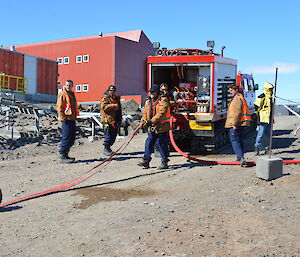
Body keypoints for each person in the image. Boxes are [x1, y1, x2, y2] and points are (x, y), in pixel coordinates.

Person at [138, 84, 171, 169]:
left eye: (153, 92)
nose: (151, 93)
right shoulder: (148, 101)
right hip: (152, 126)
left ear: (157, 92)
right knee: (149, 143)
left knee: (161, 143)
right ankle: (146, 160)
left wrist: (151, 121)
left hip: (162, 126)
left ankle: (164, 161)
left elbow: (161, 113)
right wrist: (143, 121)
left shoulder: (163, 100)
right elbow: (145, 113)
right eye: (150, 92)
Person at [225, 84, 251, 166]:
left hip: (236, 124)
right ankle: (240, 157)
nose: (230, 92)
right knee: (239, 140)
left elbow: (237, 112)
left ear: (236, 90)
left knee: (235, 140)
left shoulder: (236, 99)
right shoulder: (240, 97)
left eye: (231, 90)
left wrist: (234, 124)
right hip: (240, 123)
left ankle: (240, 158)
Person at [56, 80, 79, 163]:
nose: (68, 87)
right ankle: (63, 154)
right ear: (65, 85)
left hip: (72, 118)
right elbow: (59, 106)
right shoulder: (63, 94)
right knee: (66, 137)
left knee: (72, 138)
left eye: (70, 85)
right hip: (66, 119)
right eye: (67, 85)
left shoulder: (72, 94)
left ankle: (66, 153)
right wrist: (62, 117)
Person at [100, 85, 122, 156]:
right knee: (108, 135)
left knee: (113, 135)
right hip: (107, 120)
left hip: (115, 120)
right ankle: (106, 148)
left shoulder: (116, 98)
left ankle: (109, 148)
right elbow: (104, 107)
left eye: (114, 90)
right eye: (111, 90)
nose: (112, 92)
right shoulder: (105, 98)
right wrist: (113, 105)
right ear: (108, 90)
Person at [254, 82, 274, 155]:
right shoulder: (261, 97)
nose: (271, 90)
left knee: (269, 135)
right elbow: (256, 107)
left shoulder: (271, 97)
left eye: (272, 89)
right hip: (263, 119)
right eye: (270, 89)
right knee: (260, 134)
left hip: (269, 119)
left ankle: (267, 149)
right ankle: (257, 148)